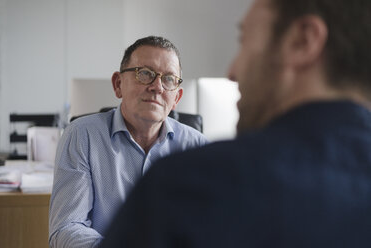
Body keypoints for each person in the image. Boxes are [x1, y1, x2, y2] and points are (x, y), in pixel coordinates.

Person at [101, 0, 371, 247]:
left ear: (302, 41)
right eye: (145, 74)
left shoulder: (188, 188)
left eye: (244, 40)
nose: (232, 72)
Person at [49, 36, 208, 248]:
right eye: (145, 74)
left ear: (176, 98)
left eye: (168, 79)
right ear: (118, 84)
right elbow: (66, 229)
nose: (157, 87)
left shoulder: (197, 147)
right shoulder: (81, 136)